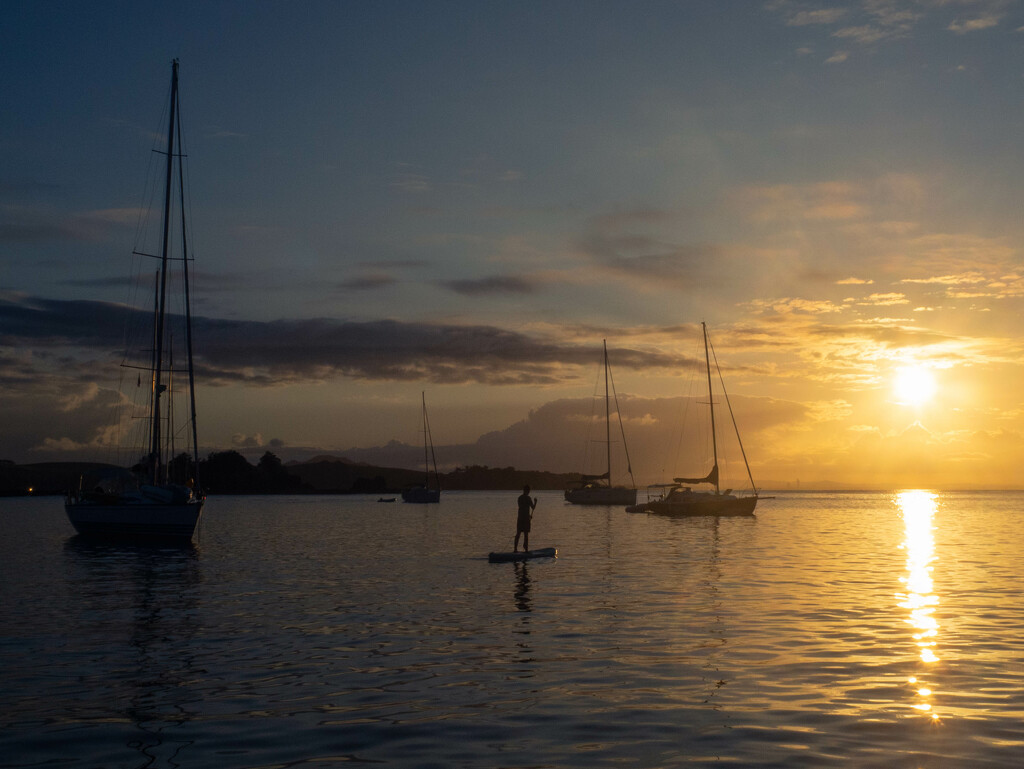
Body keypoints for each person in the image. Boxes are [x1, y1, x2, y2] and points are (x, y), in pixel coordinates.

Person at [514, 485, 537, 552]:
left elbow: (521, 508)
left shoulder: (519, 498)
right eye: (528, 491)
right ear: (527, 490)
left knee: (518, 533)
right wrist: (535, 502)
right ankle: (526, 549)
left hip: (520, 518)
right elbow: (533, 508)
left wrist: (528, 515)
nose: (529, 492)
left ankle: (515, 549)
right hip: (525, 519)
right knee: (525, 534)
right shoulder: (528, 498)